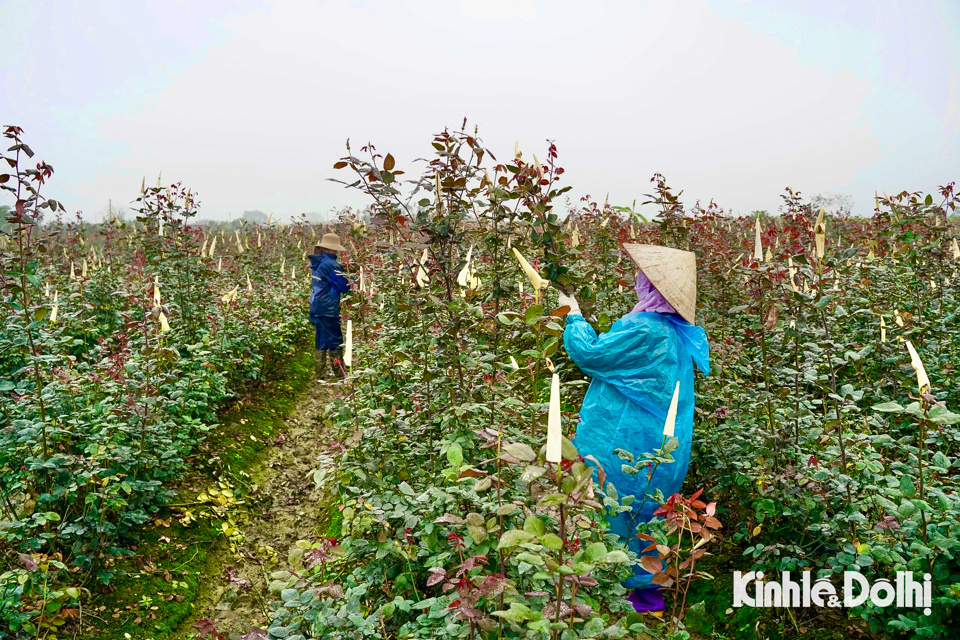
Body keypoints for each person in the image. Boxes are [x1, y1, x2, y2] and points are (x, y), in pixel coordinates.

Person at [557, 244, 710, 614]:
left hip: (626, 442)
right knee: (648, 513)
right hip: (665, 448)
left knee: (611, 505)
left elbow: (591, 354)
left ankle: (602, 591)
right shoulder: (677, 332)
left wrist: (574, 317)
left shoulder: (644, 328)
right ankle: (647, 597)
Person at [309, 232, 351, 380]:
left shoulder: (318, 262)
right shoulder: (331, 264)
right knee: (335, 340)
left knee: (321, 339)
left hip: (316, 306)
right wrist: (353, 280)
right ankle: (341, 374)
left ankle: (319, 374)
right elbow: (344, 286)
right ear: (332, 249)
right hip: (328, 308)